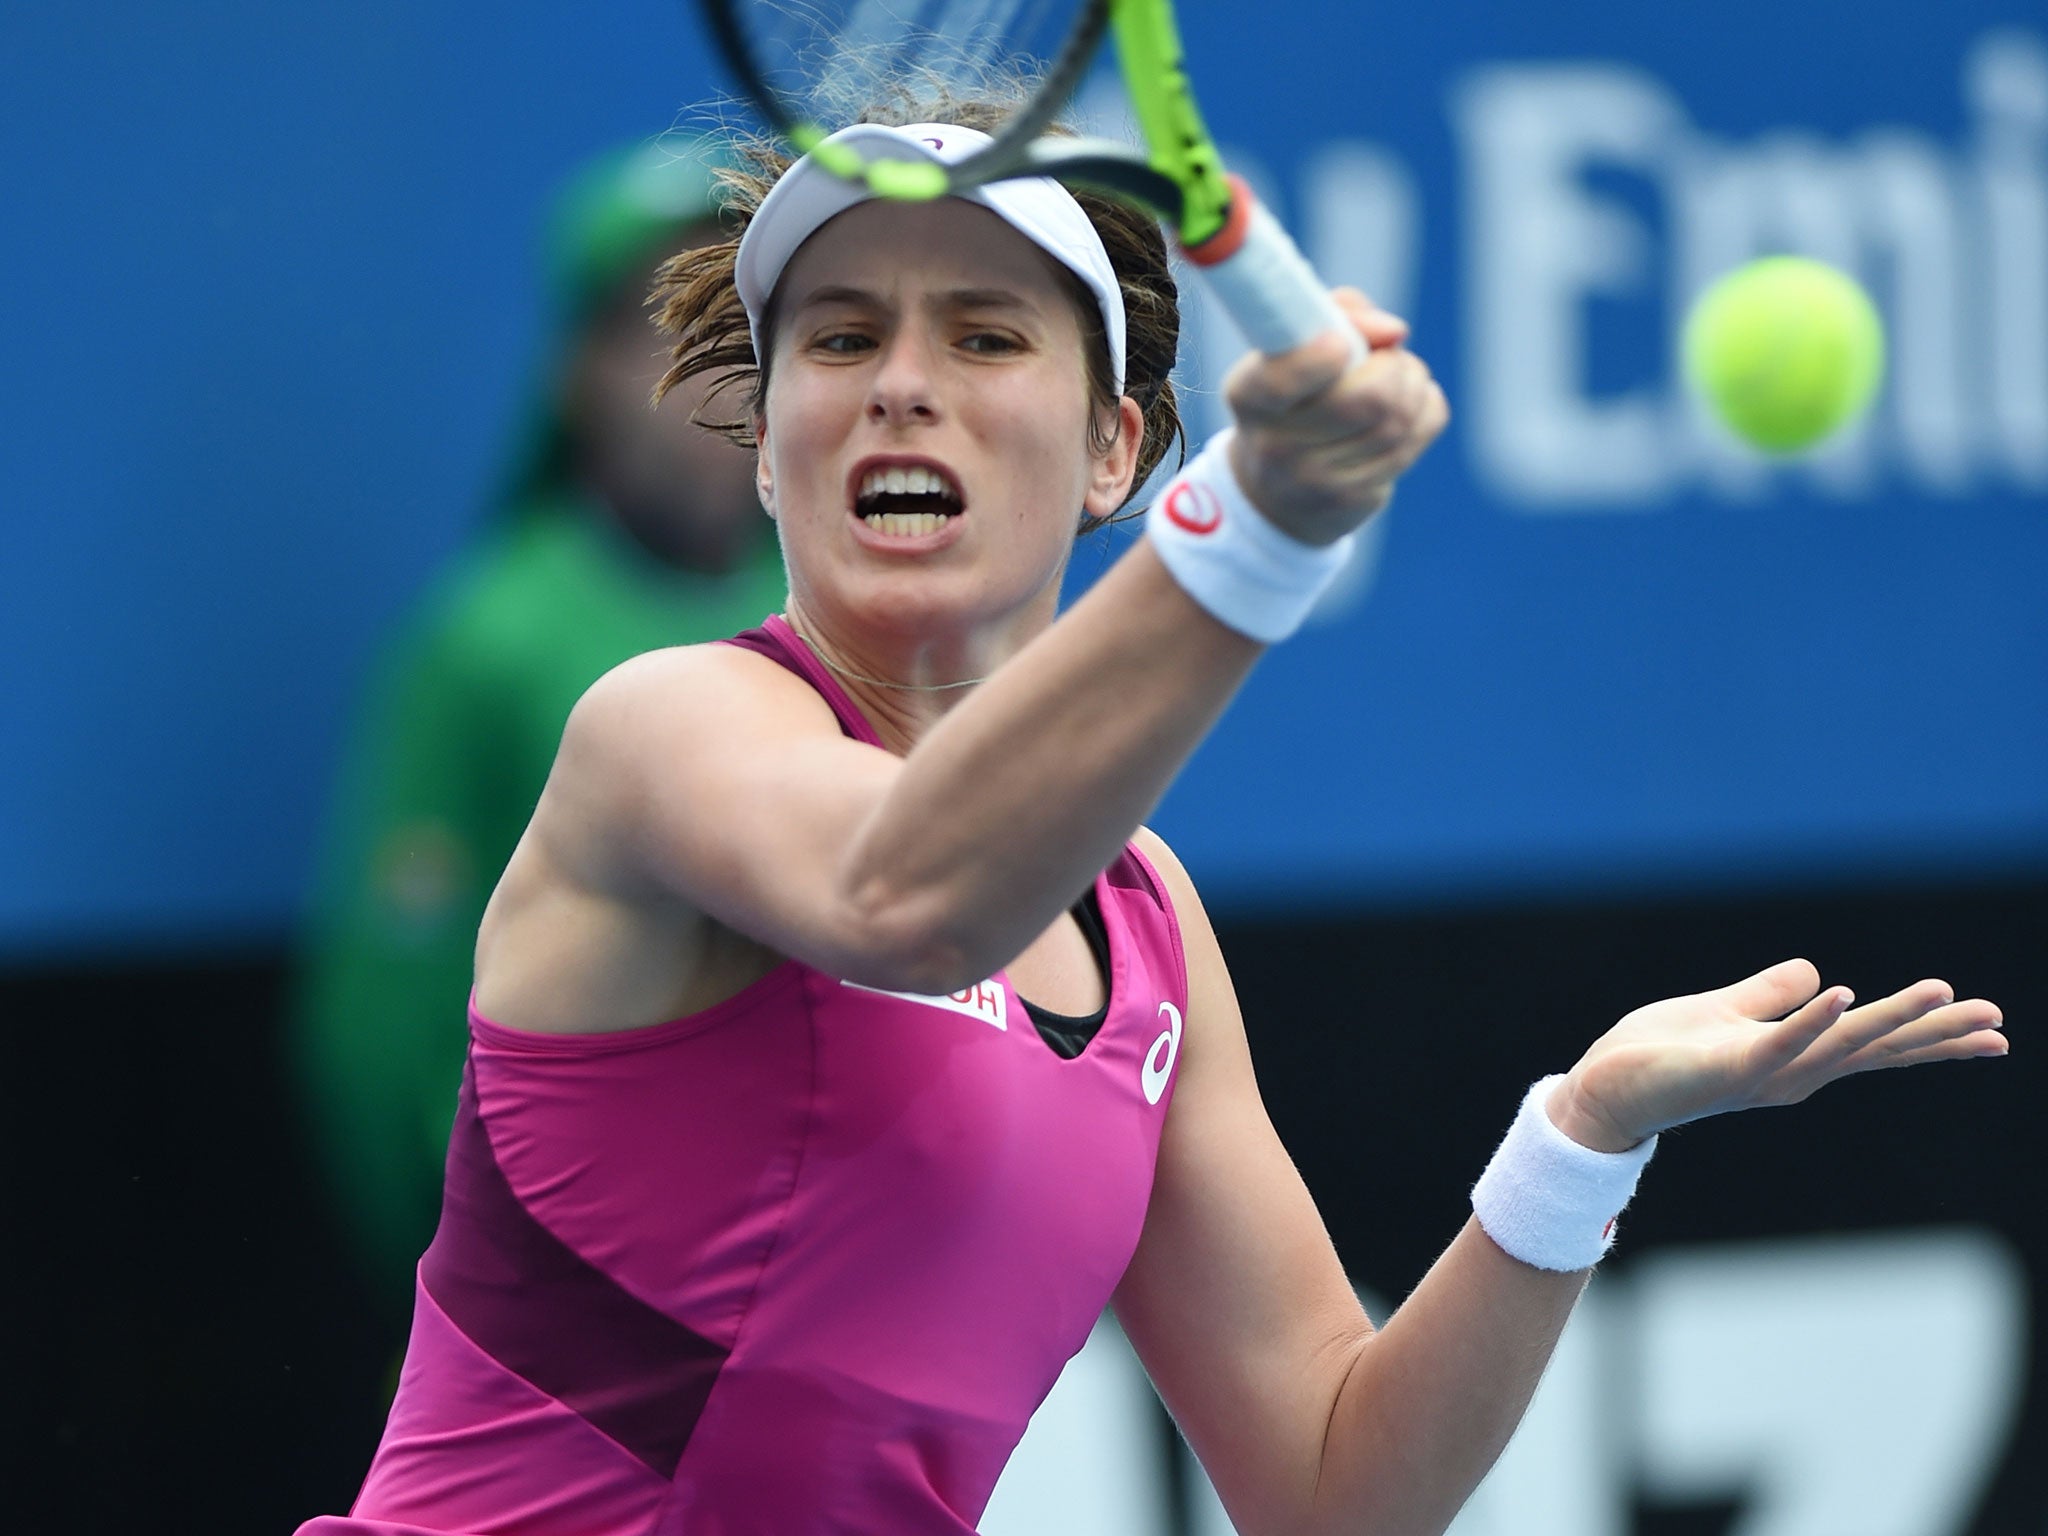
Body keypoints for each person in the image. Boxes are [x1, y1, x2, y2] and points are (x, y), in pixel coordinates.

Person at [295, 95, 2007, 1536]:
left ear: (1112, 450)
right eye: (837, 336)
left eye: (981, 334)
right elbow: (904, 898)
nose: (899, 381)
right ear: (768, 451)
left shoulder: (1141, 930)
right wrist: (1257, 530)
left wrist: (1579, 1136)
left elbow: (1337, 1487)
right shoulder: (664, 730)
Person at [292, 138, 787, 1320]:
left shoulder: (838, 613)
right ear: (579, 372)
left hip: (805, 1303)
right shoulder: (489, 640)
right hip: (553, 1317)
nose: (710, 377)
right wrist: (503, 1271)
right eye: (665, 327)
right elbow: (383, 1030)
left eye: (739, 328)